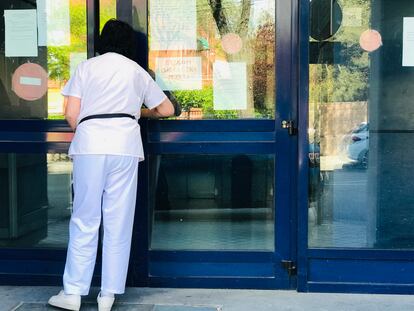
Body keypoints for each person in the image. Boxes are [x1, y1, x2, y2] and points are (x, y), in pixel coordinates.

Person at [48, 19, 175, 311]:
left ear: (101, 42)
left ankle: (73, 293)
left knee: (84, 219)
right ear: (129, 44)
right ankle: (108, 295)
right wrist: (136, 111)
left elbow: (71, 114)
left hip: (91, 144)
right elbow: (166, 108)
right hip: (126, 146)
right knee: (119, 220)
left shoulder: (86, 67)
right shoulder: (136, 71)